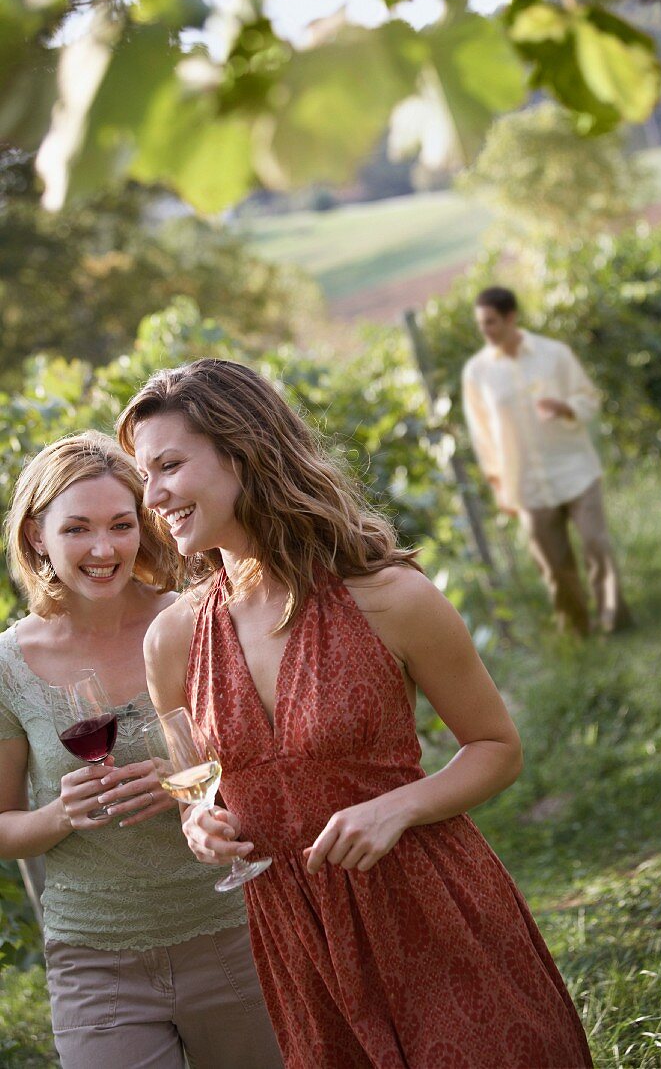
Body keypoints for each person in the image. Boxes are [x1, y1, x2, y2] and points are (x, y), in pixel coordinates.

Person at [118, 358, 593, 1069]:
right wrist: (201, 827)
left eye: (169, 466)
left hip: (427, 910)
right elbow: (198, 794)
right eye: (143, 476)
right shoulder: (174, 638)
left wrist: (396, 808)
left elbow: (497, 747)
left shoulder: (389, 598)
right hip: (296, 941)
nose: (151, 496)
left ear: (241, 451)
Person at [0, 432, 282, 1069]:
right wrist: (58, 817)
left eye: (121, 525)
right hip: (95, 962)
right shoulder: (8, 667)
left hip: (232, 933)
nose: (104, 550)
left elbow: (272, 768)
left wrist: (187, 786)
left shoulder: (199, 622)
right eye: (77, 529)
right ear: (37, 535)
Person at [462, 285, 633, 636]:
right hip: (526, 484)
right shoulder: (476, 373)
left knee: (597, 546)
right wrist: (499, 486)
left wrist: (566, 407)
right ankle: (577, 633)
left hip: (575, 470)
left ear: (511, 318)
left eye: (491, 322)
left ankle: (615, 624)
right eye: (481, 324)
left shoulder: (554, 355)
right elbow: (483, 437)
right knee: (555, 568)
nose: (486, 331)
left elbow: (588, 398)